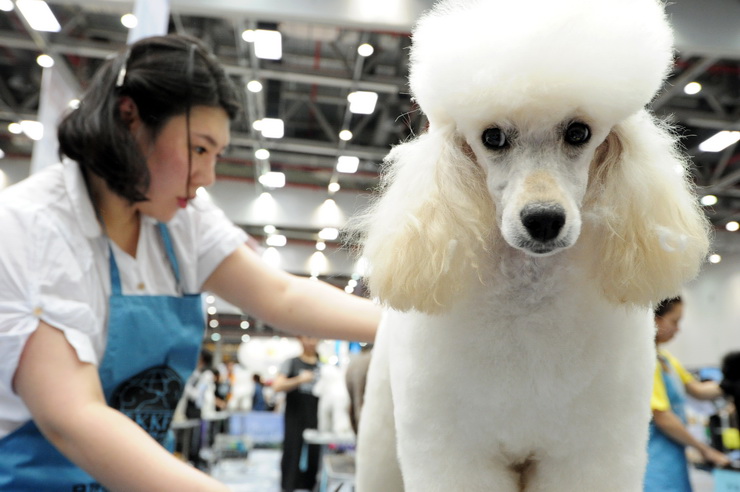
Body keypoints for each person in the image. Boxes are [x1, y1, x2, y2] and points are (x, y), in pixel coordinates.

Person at [0, 34, 379, 492]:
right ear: (130, 117)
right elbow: (73, 418)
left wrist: (415, 328)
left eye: (217, 156)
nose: (208, 177)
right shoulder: (31, 227)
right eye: (199, 149)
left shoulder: (181, 221)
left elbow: (283, 296)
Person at [644, 297, 730, 491]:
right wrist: (705, 450)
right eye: (674, 321)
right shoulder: (646, 361)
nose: (678, 329)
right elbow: (662, 416)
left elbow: (698, 390)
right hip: (656, 462)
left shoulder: (666, 359)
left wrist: (729, 384)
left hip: (673, 457)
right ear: (655, 319)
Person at [272, 336, 322, 492]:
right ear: (300, 340)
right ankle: (288, 486)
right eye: (308, 338)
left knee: (315, 454)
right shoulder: (292, 362)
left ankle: (310, 485)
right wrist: (299, 379)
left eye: (314, 338)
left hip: (316, 416)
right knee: (292, 451)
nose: (311, 342)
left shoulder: (323, 365)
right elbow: (277, 386)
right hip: (295, 415)